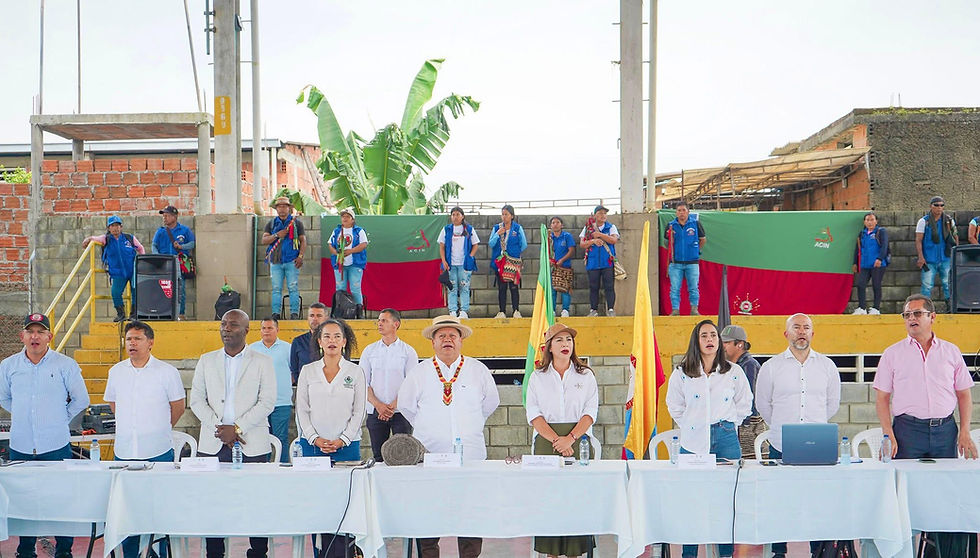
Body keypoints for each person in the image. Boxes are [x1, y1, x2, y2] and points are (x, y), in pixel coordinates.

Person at [397, 315, 500, 558]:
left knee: (471, 512)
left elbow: (490, 404)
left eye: (452, 335)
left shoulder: (478, 370)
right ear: (432, 342)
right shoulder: (419, 372)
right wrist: (431, 428)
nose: (447, 340)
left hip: (471, 455)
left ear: (461, 340)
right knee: (428, 512)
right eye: (441, 335)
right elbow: (407, 407)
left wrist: (470, 424)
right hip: (431, 457)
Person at [0, 313, 89, 558]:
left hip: (56, 445)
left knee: (61, 499)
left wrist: (60, 417)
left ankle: (64, 550)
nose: (35, 337)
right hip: (21, 446)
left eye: (40, 332)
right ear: (22, 336)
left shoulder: (64, 365)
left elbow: (82, 399)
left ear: (50, 337)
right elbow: (4, 397)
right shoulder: (8, 367)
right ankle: (25, 550)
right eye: (30, 332)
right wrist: (24, 414)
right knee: (24, 500)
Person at [189, 309, 276, 558]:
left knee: (256, 502)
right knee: (213, 502)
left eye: (233, 325)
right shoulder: (207, 360)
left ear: (246, 330)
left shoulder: (262, 362)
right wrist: (220, 428)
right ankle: (215, 552)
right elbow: (196, 400)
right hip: (213, 442)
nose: (226, 328)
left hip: (251, 443)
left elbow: (267, 402)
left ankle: (258, 551)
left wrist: (237, 428)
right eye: (224, 324)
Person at [755, 313, 840, 558]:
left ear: (812, 333)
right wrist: (784, 428)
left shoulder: (827, 366)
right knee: (780, 501)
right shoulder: (771, 367)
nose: (801, 331)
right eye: (796, 327)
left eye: (806, 328)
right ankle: (778, 551)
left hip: (817, 446)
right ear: (786, 334)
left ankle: (818, 550)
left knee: (817, 502)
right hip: (781, 445)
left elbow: (832, 404)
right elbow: (763, 404)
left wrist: (810, 429)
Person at [665, 319, 751, 558]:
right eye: (704, 336)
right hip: (693, 441)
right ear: (696, 341)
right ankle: (689, 554)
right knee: (692, 501)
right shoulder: (682, 373)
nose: (710, 340)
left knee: (725, 500)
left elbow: (745, 403)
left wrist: (729, 424)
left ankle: (725, 553)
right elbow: (675, 406)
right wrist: (694, 425)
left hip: (725, 437)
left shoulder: (733, 371)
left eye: (713, 335)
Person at [104, 320, 185, 558]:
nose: (132, 343)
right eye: (129, 339)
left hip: (158, 450)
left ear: (150, 342)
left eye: (137, 338)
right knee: (127, 509)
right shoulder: (116, 372)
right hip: (125, 452)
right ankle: (131, 553)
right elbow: (113, 404)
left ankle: (157, 552)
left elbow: (178, 407)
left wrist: (158, 428)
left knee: (157, 507)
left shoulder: (167, 372)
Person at [525, 323, 598, 558]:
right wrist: (558, 440)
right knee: (550, 500)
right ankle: (551, 553)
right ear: (549, 347)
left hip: (579, 441)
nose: (565, 344)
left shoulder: (585, 375)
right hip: (548, 442)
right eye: (559, 340)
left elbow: (590, 411)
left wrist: (571, 439)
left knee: (577, 499)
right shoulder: (537, 377)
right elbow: (534, 415)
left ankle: (576, 552)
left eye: (568, 340)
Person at [874, 294, 977, 460]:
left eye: (917, 313)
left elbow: (964, 394)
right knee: (906, 482)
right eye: (907, 315)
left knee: (945, 482)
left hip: (945, 431)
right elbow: (882, 398)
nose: (911, 318)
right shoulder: (892, 354)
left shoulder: (951, 351)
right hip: (907, 433)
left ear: (932, 317)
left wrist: (965, 431)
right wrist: (888, 434)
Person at [295, 318, 366, 558]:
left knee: (345, 508)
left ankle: (347, 554)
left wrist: (343, 439)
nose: (332, 341)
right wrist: (314, 438)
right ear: (319, 341)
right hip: (313, 449)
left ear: (344, 341)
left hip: (347, 449)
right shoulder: (308, 371)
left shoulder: (355, 372)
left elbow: (359, 411)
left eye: (337, 336)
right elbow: (302, 410)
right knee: (319, 507)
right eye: (327, 336)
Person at [360, 309, 418, 461]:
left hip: (401, 412)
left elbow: (411, 384)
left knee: (404, 456)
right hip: (375, 411)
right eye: (378, 320)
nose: (379, 323)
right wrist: (379, 405)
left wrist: (392, 406)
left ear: (396, 324)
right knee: (378, 456)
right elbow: (363, 382)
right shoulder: (369, 350)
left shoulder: (408, 351)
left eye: (384, 320)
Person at [82, 215, 146, 322]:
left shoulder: (129, 238)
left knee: (136, 291)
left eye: (117, 225)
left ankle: (134, 314)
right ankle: (121, 314)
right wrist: (88, 239)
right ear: (108, 228)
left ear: (121, 227)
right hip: (117, 272)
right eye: (112, 226)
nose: (115, 228)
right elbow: (94, 238)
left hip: (132, 270)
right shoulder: (106, 239)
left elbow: (140, 248)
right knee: (116, 292)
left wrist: (141, 261)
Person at [249, 316, 293, 463]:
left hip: (281, 402)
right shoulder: (252, 349)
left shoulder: (287, 348)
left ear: (277, 330)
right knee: (261, 439)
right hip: (259, 403)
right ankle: (263, 468)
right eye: (264, 328)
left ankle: (282, 467)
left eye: (270, 328)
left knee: (281, 438)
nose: (266, 331)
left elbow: (294, 373)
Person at [720, 325, 763, 459]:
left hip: (748, 426)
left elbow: (748, 400)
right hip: (737, 425)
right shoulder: (732, 366)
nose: (722, 346)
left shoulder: (749, 365)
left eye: (726, 343)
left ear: (740, 344)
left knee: (749, 468)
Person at [261, 196, 307, 320]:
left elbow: (303, 241)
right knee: (276, 289)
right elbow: (264, 240)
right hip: (276, 262)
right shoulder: (271, 224)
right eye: (279, 206)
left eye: (284, 206)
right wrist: (277, 235)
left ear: (289, 208)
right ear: (276, 209)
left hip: (292, 260)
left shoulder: (296, 223)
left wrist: (300, 256)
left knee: (293, 287)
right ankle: (275, 314)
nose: (282, 209)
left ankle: (294, 314)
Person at [151, 205, 196, 320]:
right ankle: (164, 312)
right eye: (164, 216)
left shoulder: (184, 230)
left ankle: (180, 313)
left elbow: (192, 243)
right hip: (164, 263)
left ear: (174, 217)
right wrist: (157, 257)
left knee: (180, 289)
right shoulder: (160, 232)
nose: (164, 218)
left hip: (179, 263)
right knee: (163, 288)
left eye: (167, 216)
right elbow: (154, 245)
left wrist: (182, 246)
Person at [915, 196, 958, 311]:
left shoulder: (949, 220)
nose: (939, 208)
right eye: (936, 205)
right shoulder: (924, 221)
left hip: (946, 258)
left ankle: (951, 307)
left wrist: (955, 254)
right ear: (931, 206)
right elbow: (918, 240)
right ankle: (925, 309)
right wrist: (921, 257)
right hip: (929, 259)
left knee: (948, 284)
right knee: (927, 285)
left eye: (942, 205)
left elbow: (955, 237)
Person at [664, 201, 705, 316]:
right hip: (675, 263)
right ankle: (675, 310)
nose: (681, 213)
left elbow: (703, 239)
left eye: (684, 210)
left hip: (692, 262)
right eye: (679, 211)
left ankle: (694, 310)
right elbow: (666, 242)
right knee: (675, 288)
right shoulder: (671, 225)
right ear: (676, 213)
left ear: (688, 212)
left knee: (693, 288)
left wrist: (695, 250)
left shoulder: (696, 224)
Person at [438, 206, 480, 319]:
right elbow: (441, 246)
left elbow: (475, 244)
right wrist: (443, 260)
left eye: (457, 214)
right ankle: (452, 311)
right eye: (453, 215)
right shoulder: (446, 229)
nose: (455, 217)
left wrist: (470, 256)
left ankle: (464, 311)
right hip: (450, 264)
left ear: (462, 216)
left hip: (464, 264)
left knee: (464, 287)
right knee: (452, 287)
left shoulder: (469, 229)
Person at [580, 205, 620, 317]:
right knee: (593, 287)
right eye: (600, 213)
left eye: (605, 213)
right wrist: (593, 241)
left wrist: (600, 235)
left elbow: (613, 240)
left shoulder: (611, 227)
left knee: (609, 286)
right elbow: (582, 244)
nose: (603, 216)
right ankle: (593, 310)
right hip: (592, 263)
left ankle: (611, 309)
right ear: (595, 215)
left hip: (607, 262)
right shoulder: (588, 228)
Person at [488, 204, 527, 319]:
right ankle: (502, 311)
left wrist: (514, 255)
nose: (504, 217)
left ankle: (516, 310)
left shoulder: (517, 228)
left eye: (506, 214)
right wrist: (497, 234)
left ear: (512, 216)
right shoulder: (496, 228)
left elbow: (523, 244)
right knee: (502, 287)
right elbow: (491, 244)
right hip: (500, 262)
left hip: (513, 262)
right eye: (502, 214)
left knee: (514, 287)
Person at [328, 207, 369, 312]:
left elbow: (364, 244)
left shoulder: (358, 231)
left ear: (353, 219)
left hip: (355, 263)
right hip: (340, 263)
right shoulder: (337, 231)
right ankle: (341, 310)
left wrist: (350, 251)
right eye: (343, 216)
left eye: (347, 216)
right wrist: (336, 253)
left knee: (355, 287)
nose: (345, 219)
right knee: (340, 288)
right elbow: (330, 244)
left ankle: (359, 311)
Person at [851, 212, 889, 315]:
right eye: (867, 220)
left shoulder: (881, 232)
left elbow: (884, 246)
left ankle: (876, 308)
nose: (870, 222)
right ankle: (862, 307)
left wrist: (880, 258)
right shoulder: (862, 233)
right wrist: (855, 262)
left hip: (877, 264)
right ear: (864, 222)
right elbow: (857, 249)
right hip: (864, 264)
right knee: (861, 284)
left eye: (872, 220)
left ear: (876, 221)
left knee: (876, 285)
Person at [291, 302, 328, 384]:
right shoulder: (298, 342)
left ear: (326, 318)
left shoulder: (334, 341)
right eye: (311, 316)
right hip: (306, 389)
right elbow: (294, 369)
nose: (314, 319)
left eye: (319, 316)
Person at [548, 216, 576, 318]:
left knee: (565, 290)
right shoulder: (549, 238)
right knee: (552, 290)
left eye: (557, 222)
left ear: (562, 225)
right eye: (553, 223)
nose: (555, 224)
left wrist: (562, 260)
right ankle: (552, 310)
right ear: (550, 226)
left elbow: (571, 250)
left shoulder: (566, 236)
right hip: (553, 267)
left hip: (565, 267)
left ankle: (565, 310)